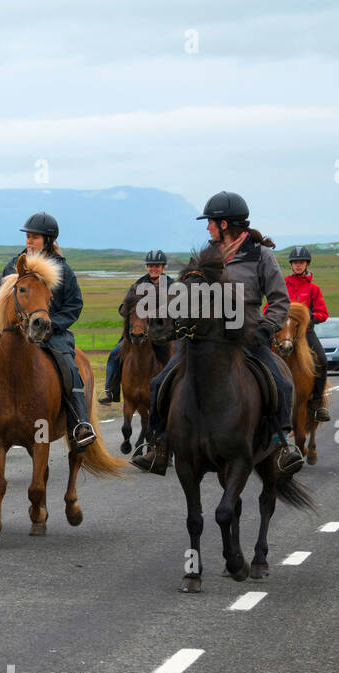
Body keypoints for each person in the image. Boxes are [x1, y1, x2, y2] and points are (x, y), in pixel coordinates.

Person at [130, 191, 304, 476]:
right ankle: (158, 445)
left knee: (281, 384)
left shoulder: (261, 255)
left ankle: (282, 444)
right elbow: (184, 292)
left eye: (210, 222)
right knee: (160, 381)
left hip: (247, 336)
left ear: (224, 224)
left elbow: (279, 300)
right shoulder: (205, 255)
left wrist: (266, 328)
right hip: (203, 336)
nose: (207, 227)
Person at [0, 212, 96, 452]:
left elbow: (74, 305)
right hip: (12, 332)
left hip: (51, 332)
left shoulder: (62, 269)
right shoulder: (15, 265)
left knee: (69, 366)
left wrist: (51, 325)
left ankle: (80, 423)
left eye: (35, 238)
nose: (29, 242)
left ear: (48, 240)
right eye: (28, 237)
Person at [99, 250, 171, 404]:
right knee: (114, 354)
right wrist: (128, 310)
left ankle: (178, 391)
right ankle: (111, 391)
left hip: (164, 335)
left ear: (163, 267)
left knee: (180, 357)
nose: (154, 269)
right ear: (146, 267)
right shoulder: (137, 285)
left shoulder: (171, 285)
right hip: (138, 334)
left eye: (157, 266)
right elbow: (123, 308)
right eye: (151, 266)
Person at [281, 245, 330, 421]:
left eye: (301, 262)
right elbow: (269, 307)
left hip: (305, 333)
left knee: (322, 361)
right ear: (291, 265)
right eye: (295, 262)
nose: (298, 265)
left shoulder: (313, 289)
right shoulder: (283, 285)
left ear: (306, 264)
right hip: (284, 333)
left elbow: (323, 313)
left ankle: (317, 404)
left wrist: (311, 316)